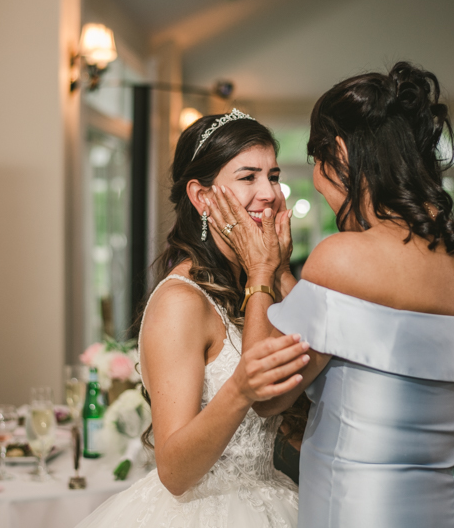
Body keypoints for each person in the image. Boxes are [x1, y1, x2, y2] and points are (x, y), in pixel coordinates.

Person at [206, 62, 454, 527]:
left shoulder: (345, 256)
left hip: (361, 511)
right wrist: (287, 275)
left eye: (316, 165)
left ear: (341, 154)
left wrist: (262, 271)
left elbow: (266, 395)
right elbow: (343, 325)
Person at [76, 110, 304, 528]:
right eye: (248, 177)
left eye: (272, 176)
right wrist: (239, 388)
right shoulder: (181, 301)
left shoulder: (251, 287)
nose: (269, 193)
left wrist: (276, 271)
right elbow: (175, 473)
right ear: (202, 198)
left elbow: (288, 409)